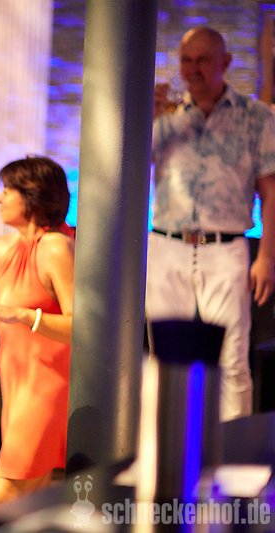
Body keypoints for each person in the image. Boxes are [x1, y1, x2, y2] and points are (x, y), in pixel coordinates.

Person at [148, 26, 275, 421]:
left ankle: (232, 451)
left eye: (202, 59)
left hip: (226, 247)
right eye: (186, 60)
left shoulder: (255, 117)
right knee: (164, 359)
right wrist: (144, 117)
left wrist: (267, 257)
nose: (193, 69)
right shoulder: (163, 117)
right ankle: (163, 449)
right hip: (166, 244)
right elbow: (127, 169)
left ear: (225, 62)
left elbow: (270, 191)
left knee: (232, 359)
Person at [0, 156, 74, 504]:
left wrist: (26, 315)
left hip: (47, 388)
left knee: (5, 498)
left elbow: (81, 327)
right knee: (28, 503)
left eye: (7, 190)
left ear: (31, 195)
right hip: (17, 388)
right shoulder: (6, 248)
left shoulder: (56, 247)